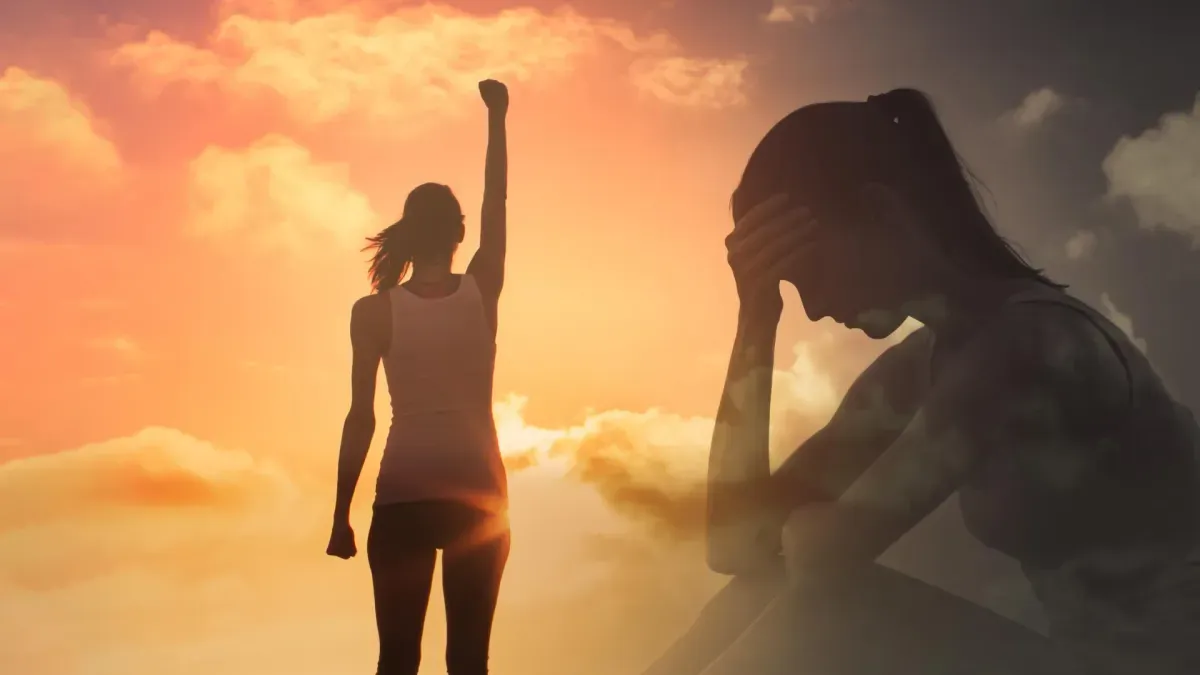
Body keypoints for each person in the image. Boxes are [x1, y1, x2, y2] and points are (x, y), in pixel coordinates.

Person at [706, 88, 1200, 674]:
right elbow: (735, 546)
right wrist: (755, 320)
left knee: (816, 594)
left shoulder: (1030, 345)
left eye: (809, 273)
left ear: (879, 213)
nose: (811, 309)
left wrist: (797, 534)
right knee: (757, 588)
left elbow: (826, 558)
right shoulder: (925, 364)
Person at [325, 78, 511, 675]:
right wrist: (498, 117)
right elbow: (497, 202)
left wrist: (341, 515)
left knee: (397, 661)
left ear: (409, 232)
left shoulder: (373, 311)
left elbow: (360, 417)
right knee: (469, 663)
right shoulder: (482, 288)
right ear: (459, 233)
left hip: (401, 498)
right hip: (478, 496)